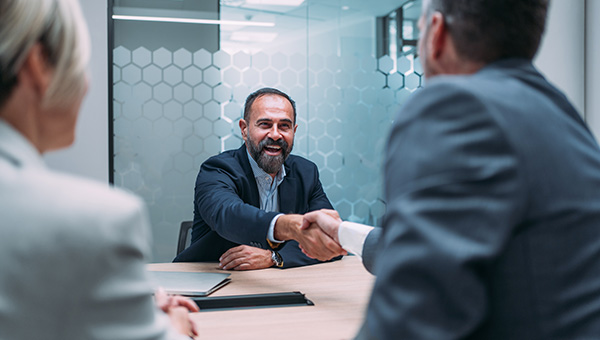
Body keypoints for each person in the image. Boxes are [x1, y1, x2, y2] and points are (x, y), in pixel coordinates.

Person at [300, 0, 600, 339]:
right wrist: (342, 233)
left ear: (437, 33)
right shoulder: (562, 117)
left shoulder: (457, 107)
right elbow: (460, 244)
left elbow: (410, 320)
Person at [0, 0, 199, 339]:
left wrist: (120, 312)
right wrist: (174, 325)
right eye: (81, 65)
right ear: (38, 66)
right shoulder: (96, 221)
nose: (88, 84)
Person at [174, 87, 345, 269]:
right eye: (265, 124)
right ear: (244, 129)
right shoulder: (217, 169)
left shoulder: (306, 172)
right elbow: (228, 215)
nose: (275, 134)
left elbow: (329, 240)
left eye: (284, 126)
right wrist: (287, 226)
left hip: (280, 283)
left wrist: (274, 257)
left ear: (294, 131)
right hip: (214, 279)